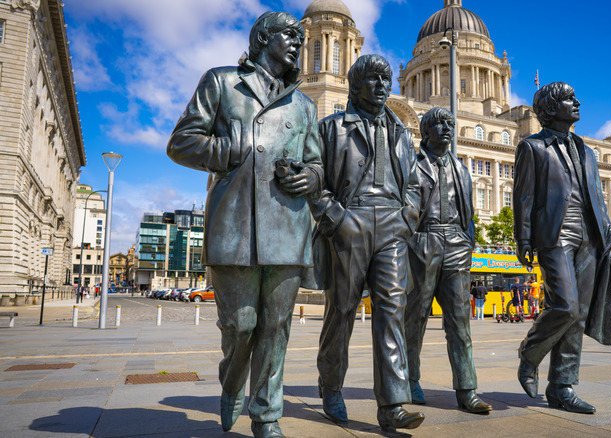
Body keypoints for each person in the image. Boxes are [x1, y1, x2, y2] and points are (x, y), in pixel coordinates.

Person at [167, 12, 322, 438]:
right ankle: (232, 381)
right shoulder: (221, 82)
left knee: (276, 328)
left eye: (302, 37)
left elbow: (318, 165)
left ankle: (266, 415)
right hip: (234, 227)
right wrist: (225, 150)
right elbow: (180, 142)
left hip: (287, 229)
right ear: (263, 38)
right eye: (290, 35)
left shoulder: (304, 105)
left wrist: (308, 177)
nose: (298, 42)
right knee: (241, 326)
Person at [311, 54, 424, 433]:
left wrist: (408, 217)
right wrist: (334, 219)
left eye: (386, 79)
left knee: (392, 310)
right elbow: (314, 180)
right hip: (350, 221)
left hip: (393, 224)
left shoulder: (402, 133)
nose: (382, 86)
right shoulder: (331, 128)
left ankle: (392, 405)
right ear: (355, 85)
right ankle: (330, 386)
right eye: (373, 79)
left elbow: (414, 184)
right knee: (341, 311)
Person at [513, 82, 611, 414]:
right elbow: (524, 197)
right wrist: (523, 238)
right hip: (554, 233)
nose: (577, 102)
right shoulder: (532, 147)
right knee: (564, 306)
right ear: (550, 108)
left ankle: (562, 387)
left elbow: (599, 201)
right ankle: (530, 353)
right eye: (568, 99)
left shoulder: (587, 151)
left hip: (590, 237)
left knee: (578, 315)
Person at [403, 107, 491, 414]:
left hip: (456, 243)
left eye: (449, 124)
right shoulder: (412, 165)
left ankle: (467, 389)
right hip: (423, 241)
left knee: (460, 322)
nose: (446, 129)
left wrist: (468, 242)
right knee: (414, 319)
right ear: (425, 131)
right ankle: (409, 380)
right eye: (439, 124)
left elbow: (468, 213)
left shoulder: (462, 169)